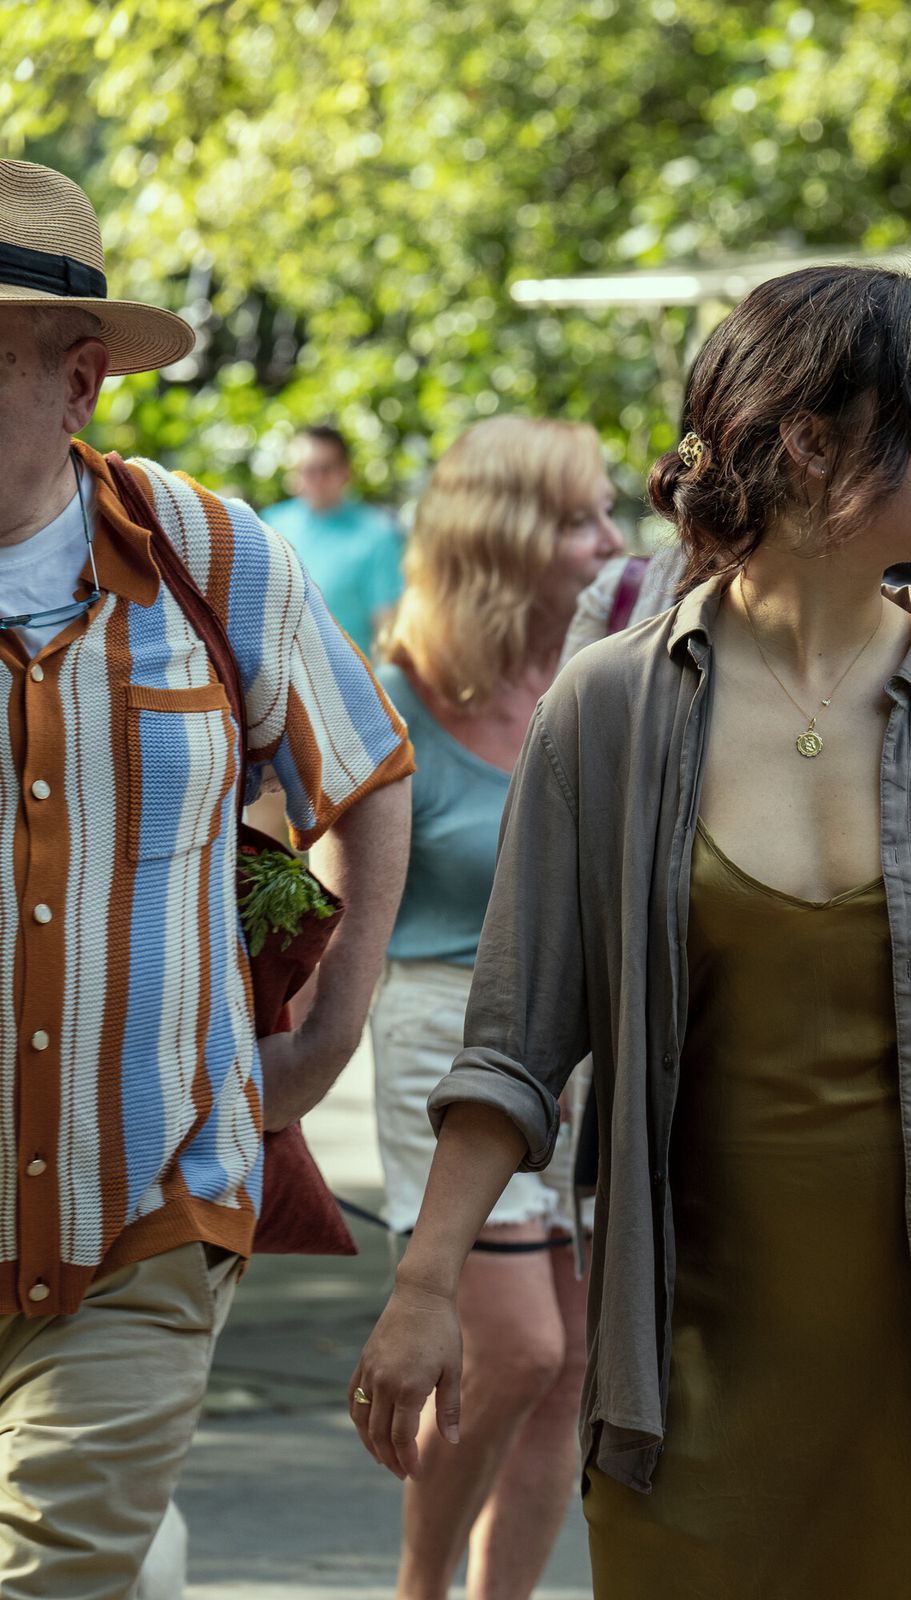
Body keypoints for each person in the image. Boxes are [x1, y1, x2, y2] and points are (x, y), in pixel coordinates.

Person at [350, 265, 911, 1598]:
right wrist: (427, 1281)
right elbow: (513, 1039)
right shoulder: (608, 710)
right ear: (811, 441)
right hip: (685, 1365)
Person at [0, 158, 413, 1596]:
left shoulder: (212, 559)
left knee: (52, 1580)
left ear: (81, 381)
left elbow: (367, 774)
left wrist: (327, 1035)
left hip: (149, 1212)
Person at [369, 417, 625, 1600]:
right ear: (510, 538)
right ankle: (421, 1592)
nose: (610, 542)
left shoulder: (591, 674)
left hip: (577, 1039)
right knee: (515, 1345)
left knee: (574, 1362)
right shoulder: (395, 698)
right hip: (445, 1030)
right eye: (582, 520)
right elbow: (326, 916)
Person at [261, 422, 408, 656]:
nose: (317, 479)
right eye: (308, 470)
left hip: (350, 682)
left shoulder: (377, 534)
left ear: (346, 471)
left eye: (326, 469)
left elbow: (387, 628)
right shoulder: (270, 524)